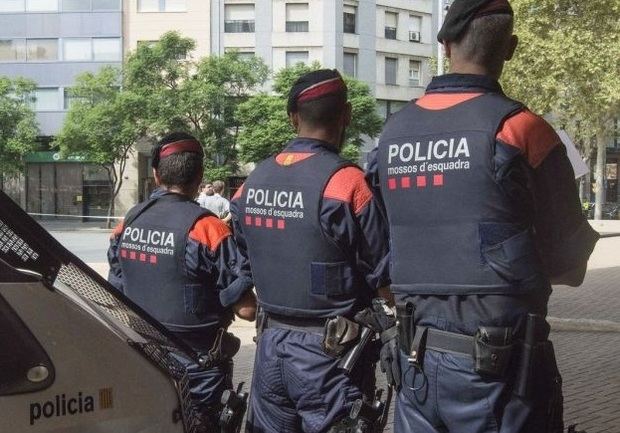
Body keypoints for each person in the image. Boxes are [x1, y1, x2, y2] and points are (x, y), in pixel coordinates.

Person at [367, 1, 600, 432]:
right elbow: (571, 266)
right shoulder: (523, 130)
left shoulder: (391, 136)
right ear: (510, 49)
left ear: (445, 42)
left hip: (412, 361)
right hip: (498, 370)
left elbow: (379, 249)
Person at [230, 69, 391, 433]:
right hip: (330, 356)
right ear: (347, 115)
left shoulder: (252, 183)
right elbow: (385, 276)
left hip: (270, 346)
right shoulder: (348, 183)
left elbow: (239, 258)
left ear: (293, 118)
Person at [107, 132, 256, 431]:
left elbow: (116, 294)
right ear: (199, 175)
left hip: (144, 360)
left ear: (155, 174)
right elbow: (247, 311)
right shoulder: (208, 229)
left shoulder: (128, 223)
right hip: (198, 371)